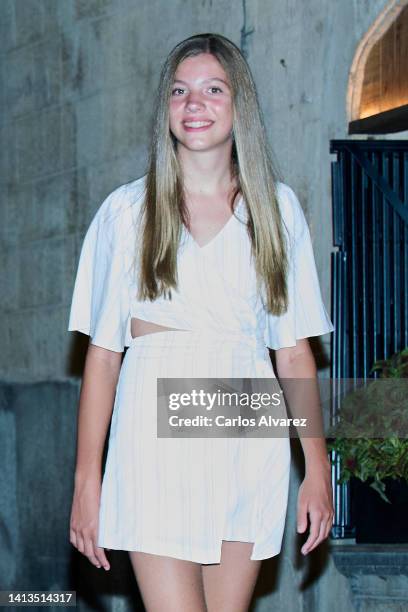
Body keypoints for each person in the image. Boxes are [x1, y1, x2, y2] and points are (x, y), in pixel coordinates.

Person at [68, 33, 335, 612]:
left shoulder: (275, 209)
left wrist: (317, 467)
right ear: (165, 109)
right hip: (152, 439)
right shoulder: (126, 212)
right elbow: (103, 355)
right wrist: (88, 482)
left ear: (240, 106)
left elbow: (291, 353)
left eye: (214, 89)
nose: (195, 104)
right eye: (180, 91)